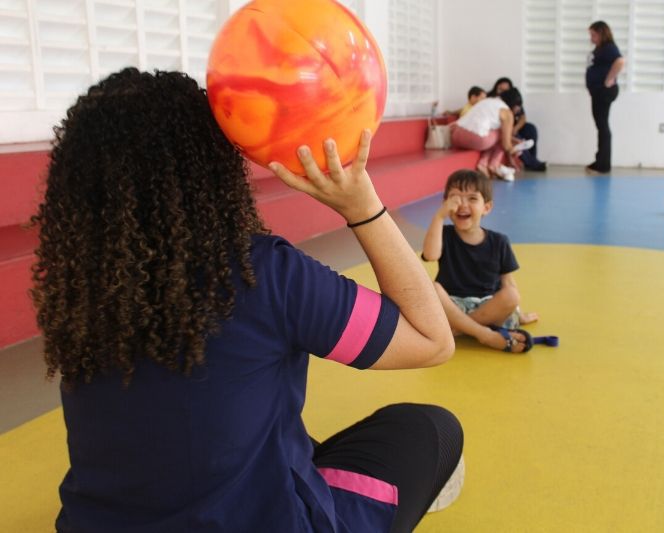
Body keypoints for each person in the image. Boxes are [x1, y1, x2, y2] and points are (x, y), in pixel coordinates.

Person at [32, 68, 463, 533]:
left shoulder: (79, 288)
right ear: (212, 162)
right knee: (432, 427)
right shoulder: (262, 273)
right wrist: (362, 208)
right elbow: (431, 340)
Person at [421, 169, 539, 354]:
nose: (462, 204)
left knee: (511, 295)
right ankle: (484, 334)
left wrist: (517, 311)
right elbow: (430, 255)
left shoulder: (499, 241)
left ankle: (459, 330)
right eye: (455, 198)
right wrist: (439, 217)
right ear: (446, 203)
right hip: (453, 306)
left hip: (487, 307)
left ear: (487, 207)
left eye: (472, 199)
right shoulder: (444, 234)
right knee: (434, 289)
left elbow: (507, 282)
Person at [450, 88, 528, 181]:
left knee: (496, 132)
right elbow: (506, 145)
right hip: (475, 139)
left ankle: (484, 164)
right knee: (501, 132)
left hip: (455, 135)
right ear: (515, 105)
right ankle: (492, 165)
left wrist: (514, 141)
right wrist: (515, 150)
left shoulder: (489, 101)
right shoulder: (507, 113)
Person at [585, 21, 625, 174]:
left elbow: (620, 61)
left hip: (604, 92)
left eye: (594, 35)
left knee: (602, 126)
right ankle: (600, 160)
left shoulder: (609, 48)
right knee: (601, 126)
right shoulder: (600, 49)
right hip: (597, 92)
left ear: (602, 34)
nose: (591, 38)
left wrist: (609, 79)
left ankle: (603, 164)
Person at [487, 77, 547, 172]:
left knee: (531, 129)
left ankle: (533, 158)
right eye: (500, 89)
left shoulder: (514, 99)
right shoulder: (494, 101)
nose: (502, 92)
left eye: (505, 90)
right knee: (516, 139)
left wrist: (515, 128)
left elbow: (523, 118)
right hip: (503, 127)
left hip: (514, 126)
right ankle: (532, 163)